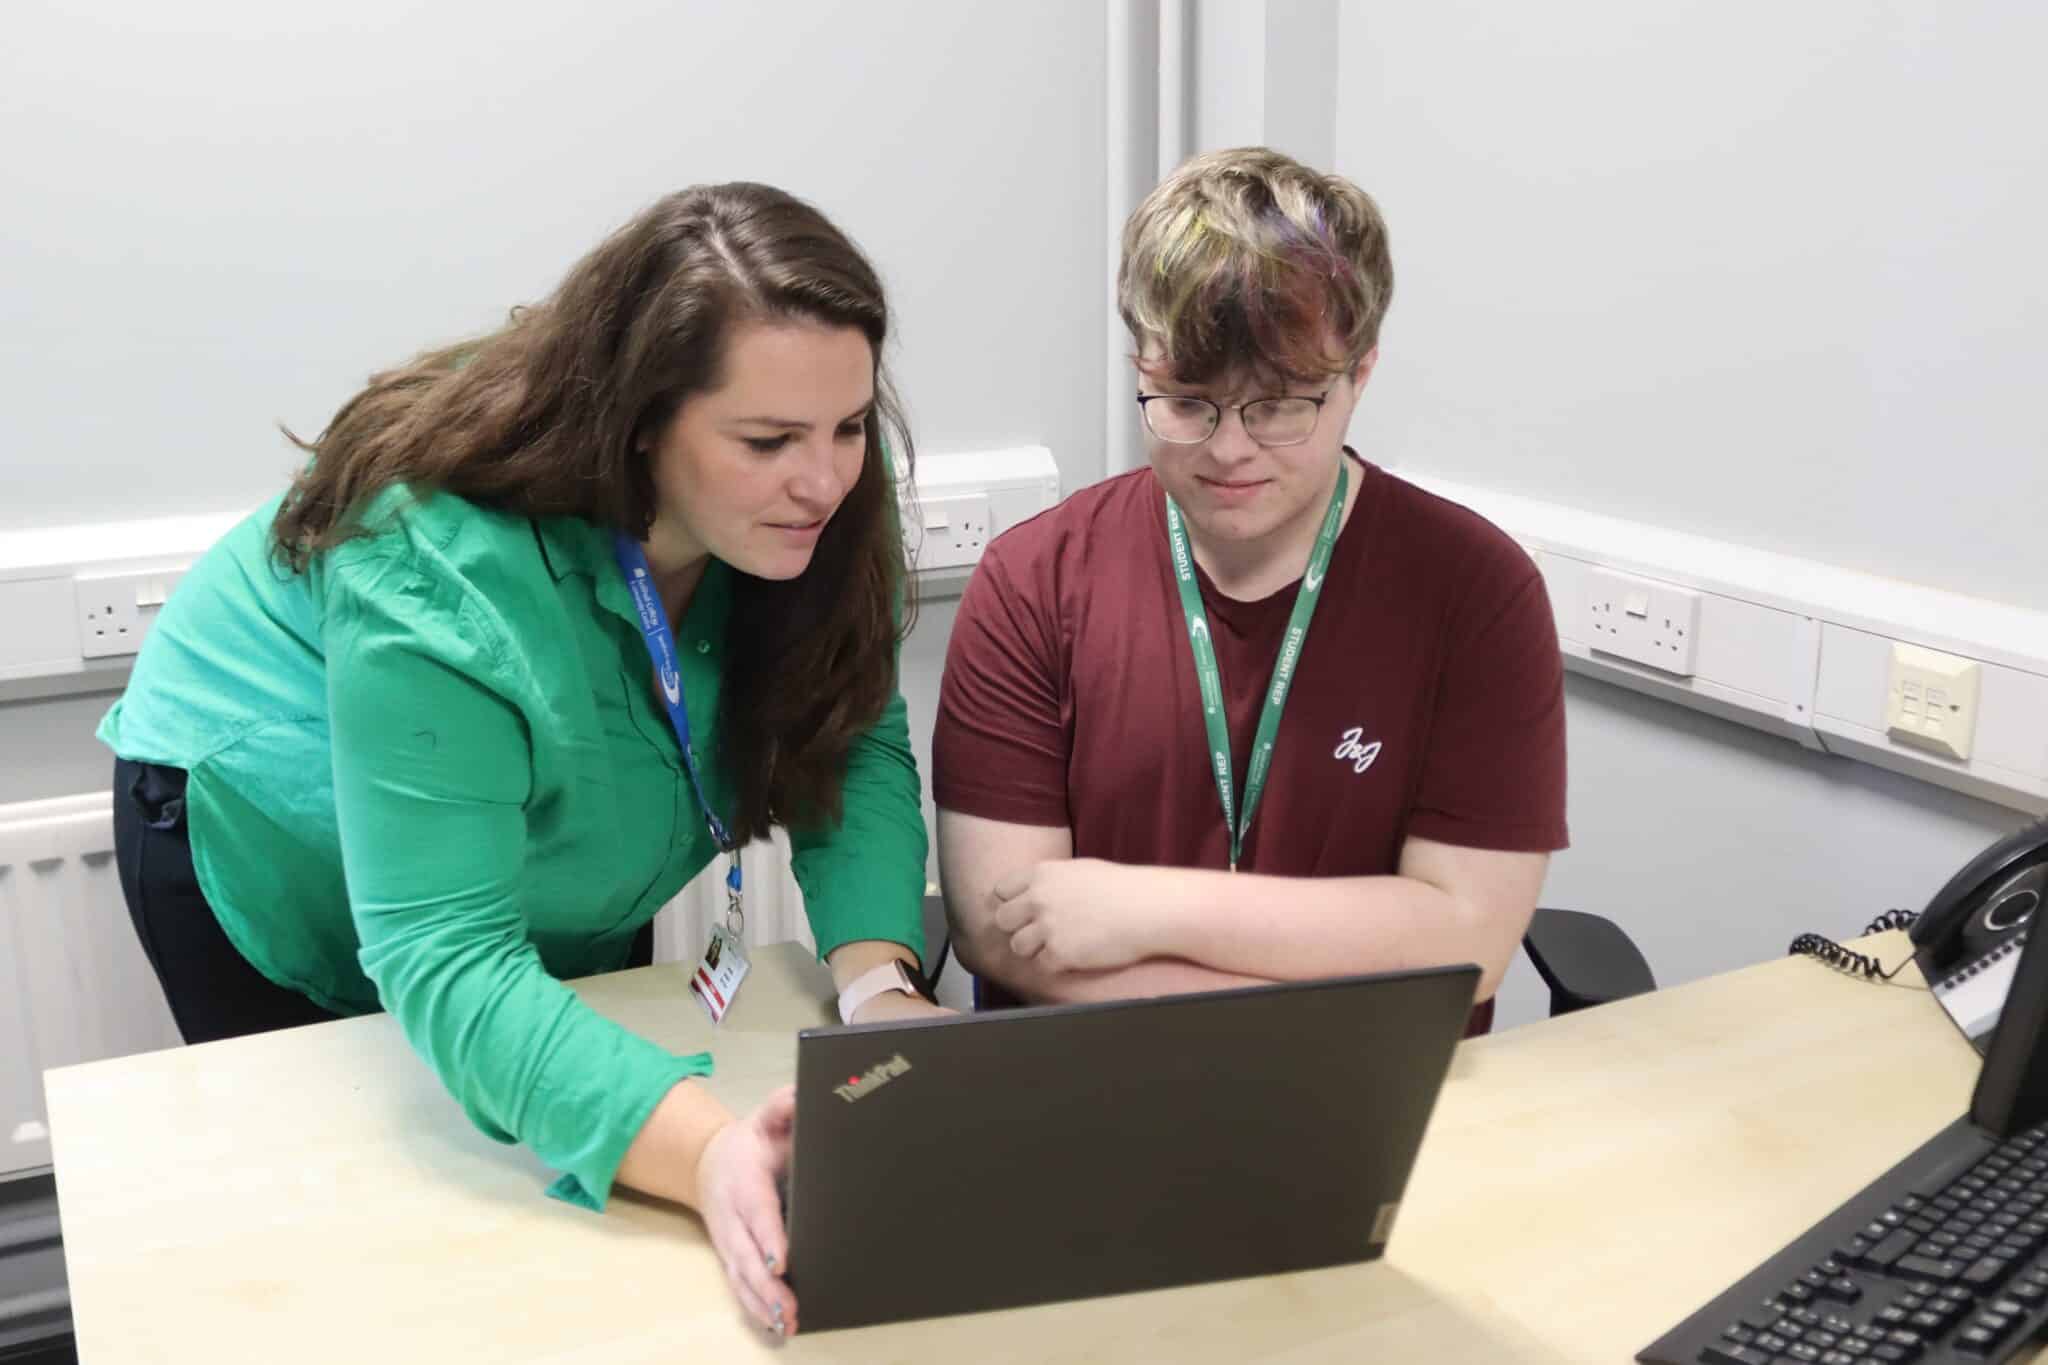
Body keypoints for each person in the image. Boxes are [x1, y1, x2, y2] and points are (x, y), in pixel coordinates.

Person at [99, 182, 946, 1336]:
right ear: (642, 421)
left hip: (557, 834)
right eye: (768, 442)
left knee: (591, 1230)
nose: (826, 480)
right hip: (269, 818)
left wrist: (879, 987)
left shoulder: (819, 482)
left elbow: (852, 731)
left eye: (848, 428)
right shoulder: (432, 552)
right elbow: (447, 954)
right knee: (359, 1242)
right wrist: (701, 1151)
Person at [932, 147, 1568, 1030]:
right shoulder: (1032, 583)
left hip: (1382, 1101)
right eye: (1188, 401)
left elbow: (1469, 939)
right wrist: (1347, 959)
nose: (1229, 450)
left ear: (1362, 372)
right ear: (1140, 367)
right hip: (1089, 1087)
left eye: (1277, 405)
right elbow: (1004, 933)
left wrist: (1140, 907)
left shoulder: (1477, 593)